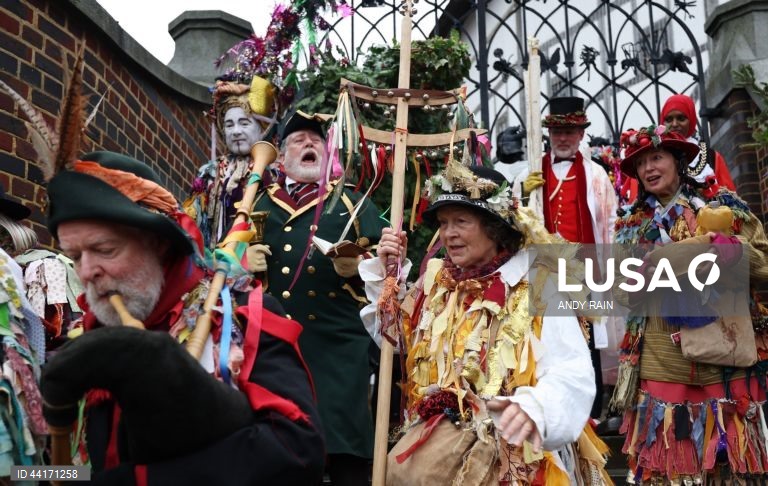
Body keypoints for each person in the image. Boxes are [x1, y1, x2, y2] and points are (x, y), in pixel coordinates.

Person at [40, 151, 325, 485]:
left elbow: (299, 452)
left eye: (105, 250)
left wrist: (139, 480)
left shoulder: (239, 316)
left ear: (159, 244)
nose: (87, 272)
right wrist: (26, 474)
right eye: (74, 256)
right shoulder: (85, 337)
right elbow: (78, 473)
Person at [360, 161, 611, 484]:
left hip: (516, 458)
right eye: (444, 223)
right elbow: (396, 342)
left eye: (461, 222)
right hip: (442, 456)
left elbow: (571, 372)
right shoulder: (437, 283)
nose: (449, 234)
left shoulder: (533, 283)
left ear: (494, 227)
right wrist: (387, 278)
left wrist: (534, 409)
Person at [610, 126, 768, 483]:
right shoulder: (629, 228)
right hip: (662, 362)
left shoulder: (723, 208)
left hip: (725, 356)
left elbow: (764, 267)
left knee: (731, 467)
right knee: (668, 463)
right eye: (641, 164)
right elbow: (622, 292)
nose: (649, 168)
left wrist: (735, 255)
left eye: (657, 157)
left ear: (679, 162)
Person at [250, 112, 386, 486]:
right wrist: (241, 262)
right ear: (280, 159)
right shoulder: (257, 203)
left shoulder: (353, 203)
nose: (309, 144)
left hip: (338, 351)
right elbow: (219, 270)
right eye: (299, 140)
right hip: (276, 352)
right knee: (282, 457)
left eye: (316, 140)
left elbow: (388, 274)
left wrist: (360, 267)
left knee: (345, 458)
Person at [514, 96, 617, 420]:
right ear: (549, 133)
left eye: (569, 131)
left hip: (586, 270)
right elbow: (513, 219)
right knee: (547, 338)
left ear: (581, 134)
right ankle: (551, 410)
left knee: (587, 342)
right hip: (544, 270)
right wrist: (521, 192)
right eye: (557, 131)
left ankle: (592, 414)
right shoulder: (531, 171)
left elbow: (611, 223)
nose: (562, 138)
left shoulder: (597, 176)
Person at [184, 77, 278, 249]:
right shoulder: (210, 173)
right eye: (229, 125)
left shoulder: (276, 175)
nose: (236, 131)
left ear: (262, 129)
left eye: (244, 123)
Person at [619, 93, 737, 203]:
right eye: (669, 119)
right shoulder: (646, 157)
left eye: (681, 118)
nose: (675, 124)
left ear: (691, 120)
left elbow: (730, 199)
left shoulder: (710, 156)